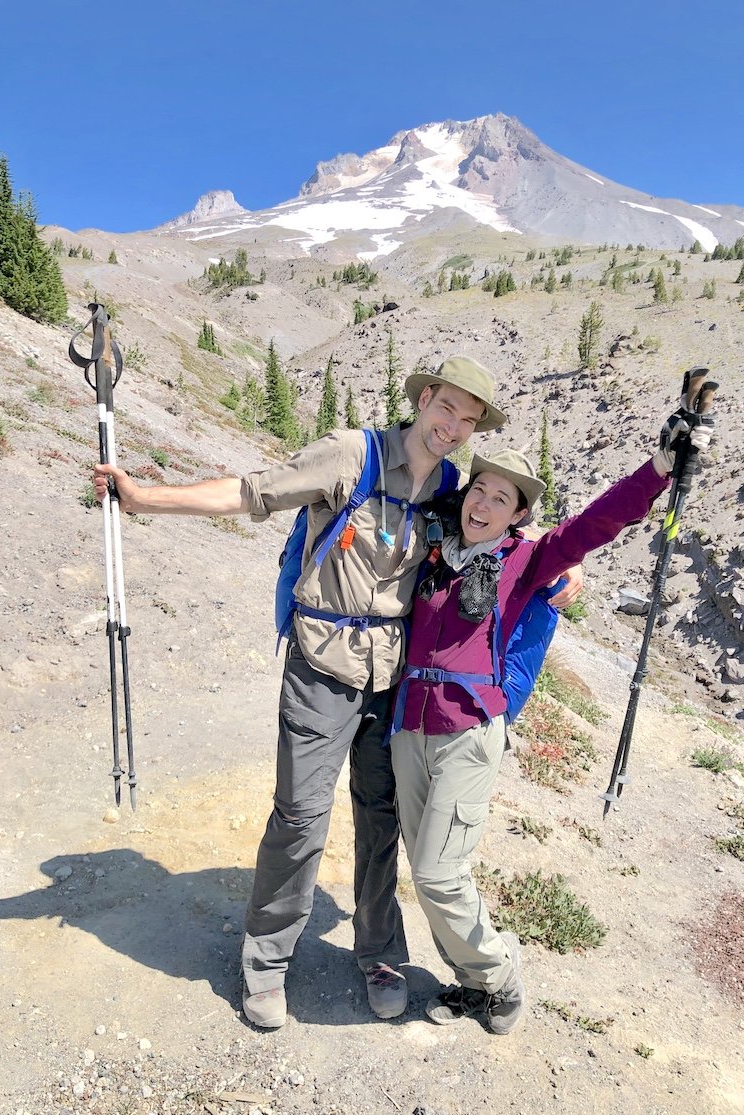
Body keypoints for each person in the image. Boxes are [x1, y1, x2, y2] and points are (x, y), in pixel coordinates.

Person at [93, 355, 582, 1030]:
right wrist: (148, 498)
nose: (454, 427)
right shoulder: (351, 455)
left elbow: (497, 538)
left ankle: (379, 953)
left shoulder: (448, 486)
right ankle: (264, 962)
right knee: (298, 816)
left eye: (469, 421)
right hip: (322, 664)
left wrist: (558, 579)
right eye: (448, 409)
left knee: (380, 819)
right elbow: (251, 492)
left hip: (394, 677)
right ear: (425, 398)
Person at [388, 405, 714, 1035]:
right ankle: (470, 980)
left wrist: (659, 470)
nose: (482, 503)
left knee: (437, 871)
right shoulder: (432, 544)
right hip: (410, 729)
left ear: (518, 515)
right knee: (429, 871)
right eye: (478, 489)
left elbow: (595, 525)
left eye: (500, 498)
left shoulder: (528, 560)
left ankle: (500, 975)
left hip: (466, 734)